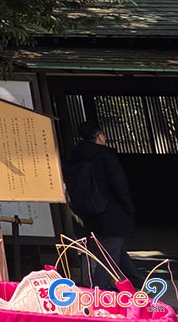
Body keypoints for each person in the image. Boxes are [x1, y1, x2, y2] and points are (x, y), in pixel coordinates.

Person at [66, 121, 139, 288]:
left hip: (89, 211)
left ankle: (136, 284)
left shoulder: (75, 157)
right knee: (109, 257)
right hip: (112, 212)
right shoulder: (105, 156)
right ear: (99, 136)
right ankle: (98, 292)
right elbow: (119, 185)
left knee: (114, 249)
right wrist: (129, 207)